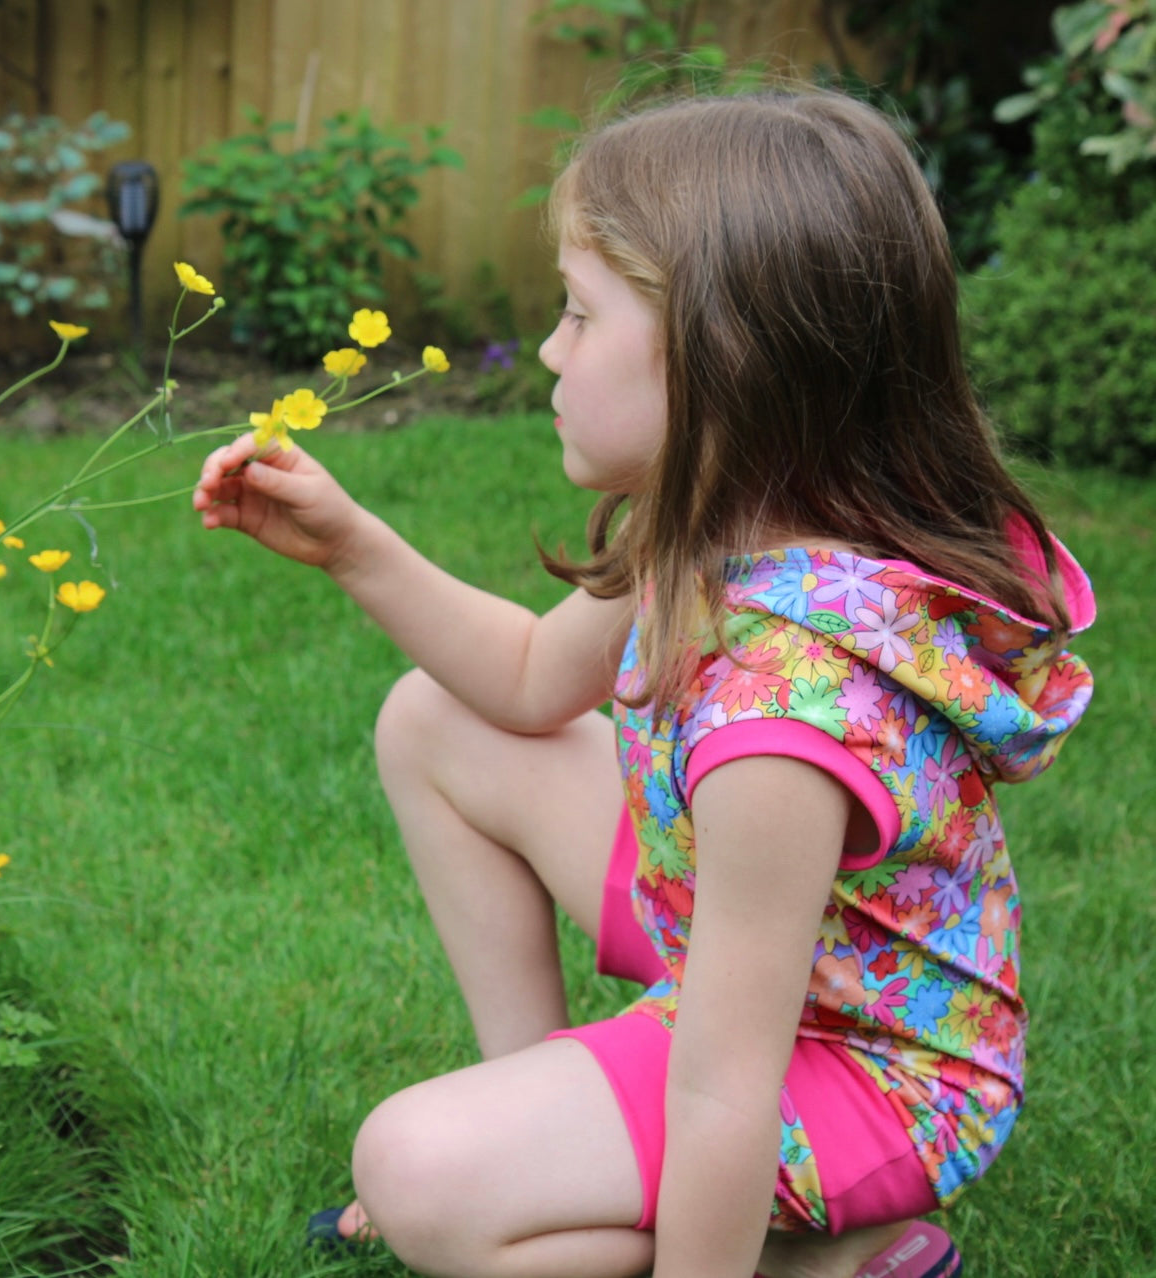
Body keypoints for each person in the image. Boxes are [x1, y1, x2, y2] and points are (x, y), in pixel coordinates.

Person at [192, 90, 1095, 1278]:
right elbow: (520, 683)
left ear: (723, 364)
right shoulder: (717, 530)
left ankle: (819, 1258)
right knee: (436, 718)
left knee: (414, 1174)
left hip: (870, 1076)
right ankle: (538, 1109)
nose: (553, 349)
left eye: (579, 313)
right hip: (741, 934)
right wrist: (356, 547)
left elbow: (728, 1088)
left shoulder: (783, 722)